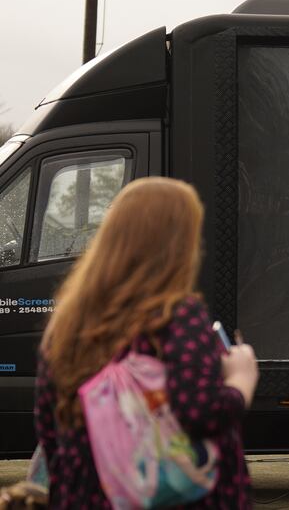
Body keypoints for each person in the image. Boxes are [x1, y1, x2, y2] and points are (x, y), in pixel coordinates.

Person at [34, 177, 259, 509]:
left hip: (87, 494)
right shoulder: (176, 315)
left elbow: (48, 427)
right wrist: (241, 379)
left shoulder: (69, 324)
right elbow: (199, 411)